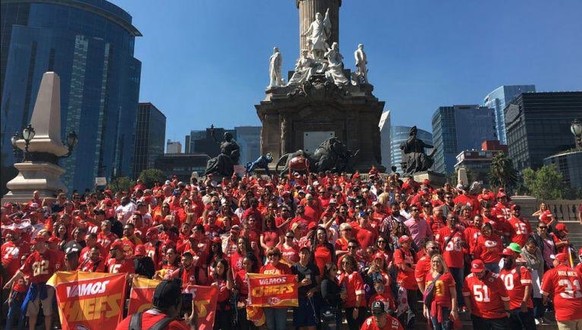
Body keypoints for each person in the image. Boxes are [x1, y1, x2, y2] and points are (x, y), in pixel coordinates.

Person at [3, 235, 61, 330]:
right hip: (34, 286)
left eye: (36, 244)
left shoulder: (52, 255)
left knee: (47, 312)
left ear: (42, 243)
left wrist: (53, 285)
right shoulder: (32, 256)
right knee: (32, 313)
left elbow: (57, 271)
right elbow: (21, 271)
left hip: (47, 287)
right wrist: (10, 281)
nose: (35, 246)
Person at [116, 279, 197, 329]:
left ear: (152, 300)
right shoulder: (173, 327)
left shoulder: (126, 322)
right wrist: (193, 326)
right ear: (178, 304)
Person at [462, 259, 511, 329]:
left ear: (484, 269)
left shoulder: (496, 279)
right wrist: (470, 309)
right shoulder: (468, 279)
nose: (478, 274)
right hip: (479, 315)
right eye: (475, 272)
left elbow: (505, 297)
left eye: (480, 272)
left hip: (497, 315)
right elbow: (466, 296)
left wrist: (507, 311)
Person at [540, 252, 582, 329]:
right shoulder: (577, 272)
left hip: (564, 312)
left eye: (554, 260)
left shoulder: (551, 272)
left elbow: (544, 293)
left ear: (559, 261)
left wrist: (544, 301)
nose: (552, 261)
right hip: (580, 309)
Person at [498, 248, 536, 330]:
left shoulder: (521, 269)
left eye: (506, 257)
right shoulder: (502, 271)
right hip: (509, 308)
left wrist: (524, 302)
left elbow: (528, 286)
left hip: (522, 307)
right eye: (503, 257)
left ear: (512, 258)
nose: (504, 259)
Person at [423, 254, 458, 330]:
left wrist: (454, 309)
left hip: (445, 307)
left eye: (438, 261)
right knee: (436, 328)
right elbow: (426, 294)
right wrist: (425, 307)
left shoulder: (448, 276)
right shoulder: (428, 275)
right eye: (434, 261)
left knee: (446, 328)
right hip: (433, 307)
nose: (435, 263)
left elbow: (453, 294)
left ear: (442, 262)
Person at [292, 246, 321, 330]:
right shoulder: (294, 268)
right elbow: (291, 287)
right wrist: (300, 284)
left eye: (306, 253)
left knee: (312, 324)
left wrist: (313, 290)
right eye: (302, 253)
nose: (304, 255)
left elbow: (319, 285)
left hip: (311, 299)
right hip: (299, 299)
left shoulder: (314, 267)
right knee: (301, 325)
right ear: (299, 254)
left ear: (309, 255)